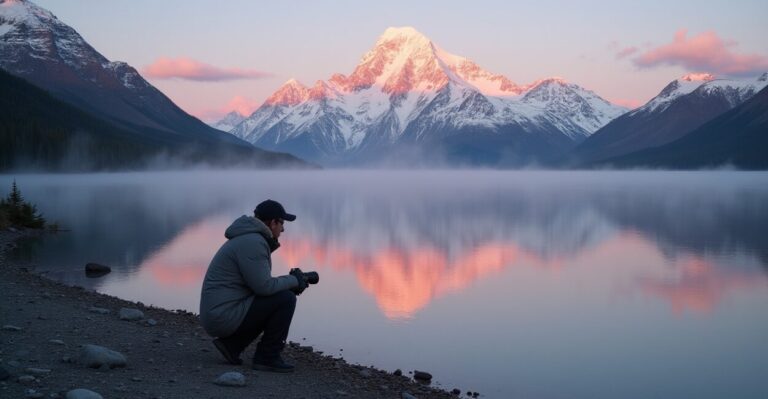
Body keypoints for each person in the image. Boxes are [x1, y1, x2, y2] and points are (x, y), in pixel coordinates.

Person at [199, 199, 309, 372]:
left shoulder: (249, 238)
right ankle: (267, 357)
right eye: (282, 223)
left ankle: (232, 346)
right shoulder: (253, 242)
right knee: (285, 299)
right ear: (273, 222)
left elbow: (259, 286)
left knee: (275, 298)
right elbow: (264, 286)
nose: (283, 229)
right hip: (222, 316)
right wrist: (295, 280)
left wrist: (291, 281)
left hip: (221, 312)